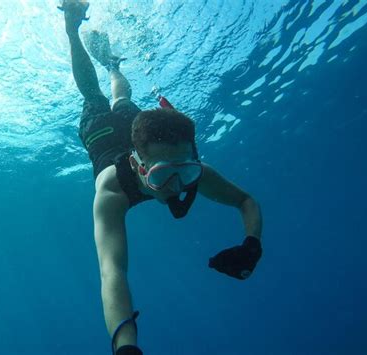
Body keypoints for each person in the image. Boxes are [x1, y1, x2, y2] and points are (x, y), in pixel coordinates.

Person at [59, 1, 263, 354]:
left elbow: (245, 201)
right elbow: (113, 272)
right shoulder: (112, 189)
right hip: (104, 142)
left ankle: (112, 63)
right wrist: (126, 347)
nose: (177, 186)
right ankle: (72, 29)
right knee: (94, 95)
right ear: (139, 167)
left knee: (123, 97)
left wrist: (252, 244)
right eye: (163, 175)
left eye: (185, 171)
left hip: (141, 134)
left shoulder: (190, 171)